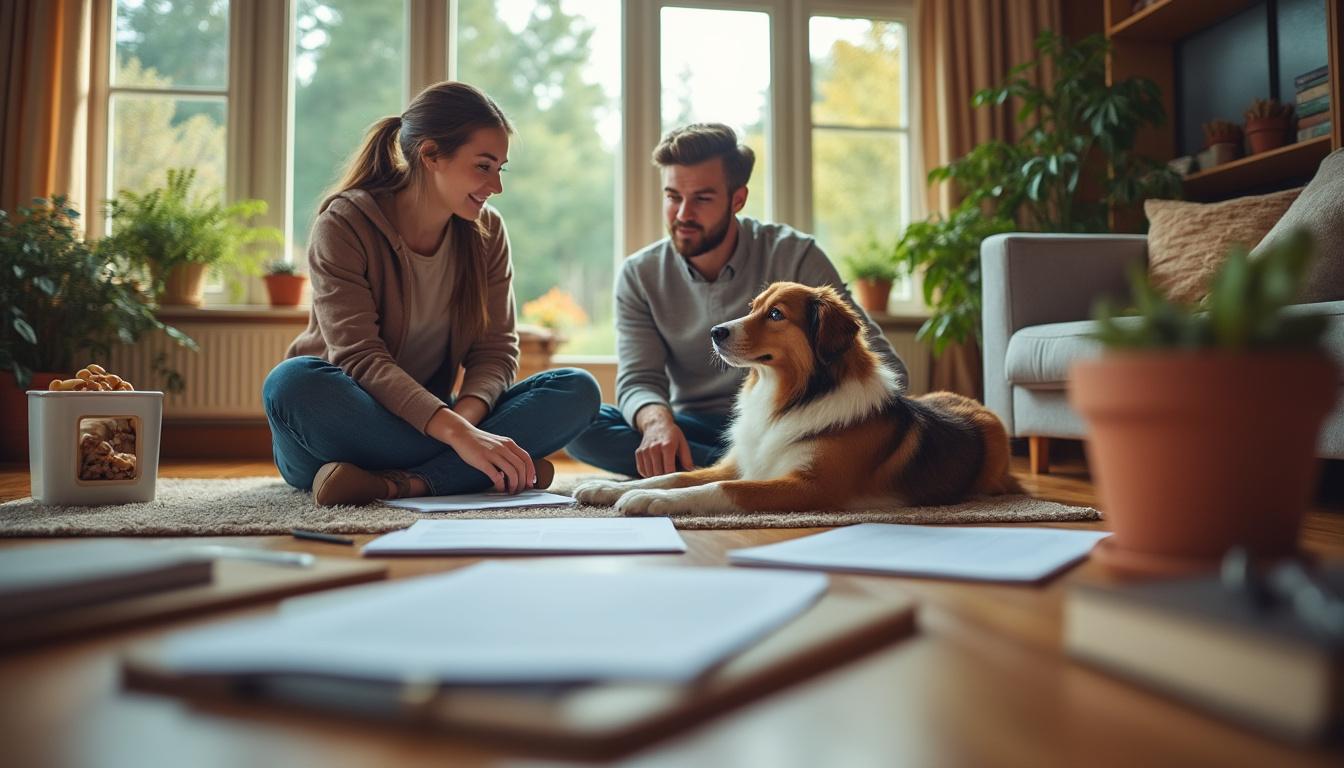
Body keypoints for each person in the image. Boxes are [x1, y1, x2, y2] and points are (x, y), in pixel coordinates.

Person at [263, 81, 600, 506]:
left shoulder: (488, 231)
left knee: (577, 390)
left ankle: (398, 484)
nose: (496, 186)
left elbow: (495, 351)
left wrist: (467, 424)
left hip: (440, 420)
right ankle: (475, 473)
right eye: (483, 166)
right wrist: (463, 440)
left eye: (501, 168)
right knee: (290, 383)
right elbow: (360, 357)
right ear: (429, 155)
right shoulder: (345, 223)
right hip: (342, 426)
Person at [567, 123, 907, 478]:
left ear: (738, 199)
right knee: (580, 428)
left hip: (789, 423)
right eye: (672, 197)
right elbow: (639, 378)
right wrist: (656, 425)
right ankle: (758, 471)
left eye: (701, 198)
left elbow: (887, 367)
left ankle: (717, 472)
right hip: (695, 426)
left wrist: (818, 421)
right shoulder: (640, 274)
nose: (683, 214)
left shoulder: (796, 255)